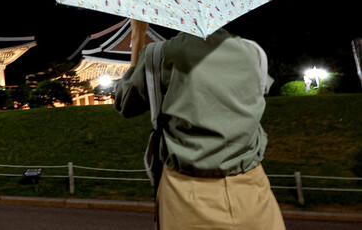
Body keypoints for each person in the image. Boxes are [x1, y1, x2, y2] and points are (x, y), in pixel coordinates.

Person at [114, 19, 285, 230]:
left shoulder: (161, 54)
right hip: (253, 189)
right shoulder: (253, 52)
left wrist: (137, 36)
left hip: (184, 193)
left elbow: (125, 103)